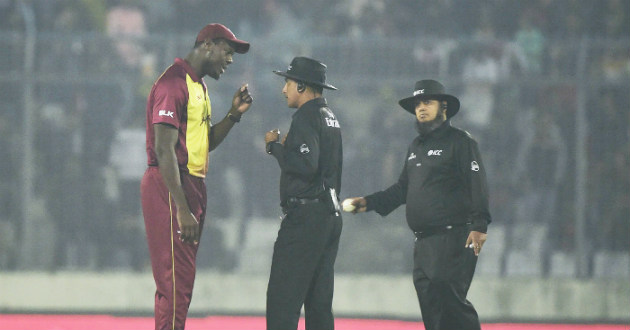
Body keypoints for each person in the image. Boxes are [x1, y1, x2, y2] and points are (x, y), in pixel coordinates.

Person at [345, 79, 491, 330]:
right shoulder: (415, 147)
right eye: (417, 103)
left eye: (427, 102)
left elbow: (476, 183)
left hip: (453, 237)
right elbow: (403, 189)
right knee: (432, 307)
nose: (421, 107)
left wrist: (479, 225)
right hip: (423, 242)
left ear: (443, 106)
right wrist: (369, 203)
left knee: (450, 299)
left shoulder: (460, 142)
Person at [140, 23, 252, 330]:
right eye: (227, 52)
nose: (230, 61)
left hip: (189, 183)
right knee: (175, 281)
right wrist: (181, 206)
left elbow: (203, 144)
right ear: (208, 45)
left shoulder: (197, 86)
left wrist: (233, 116)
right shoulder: (173, 84)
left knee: (181, 281)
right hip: (171, 184)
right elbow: (164, 151)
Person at [264, 57, 343, 330]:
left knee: (282, 301)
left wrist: (275, 147)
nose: (284, 89)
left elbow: (306, 166)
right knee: (319, 304)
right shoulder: (330, 117)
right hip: (329, 215)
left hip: (306, 217)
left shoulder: (307, 116)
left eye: (287, 82)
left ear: (301, 86)